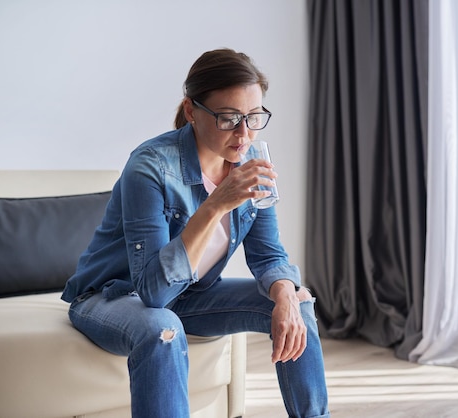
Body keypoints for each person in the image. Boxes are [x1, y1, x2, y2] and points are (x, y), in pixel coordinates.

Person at [61, 48, 330, 418]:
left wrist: (284, 292)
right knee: (162, 327)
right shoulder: (150, 167)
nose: (244, 133)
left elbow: (268, 255)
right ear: (192, 111)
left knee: (297, 301)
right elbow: (153, 293)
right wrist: (216, 204)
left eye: (253, 117)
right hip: (111, 296)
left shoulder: (251, 164)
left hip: (189, 296)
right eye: (229, 118)